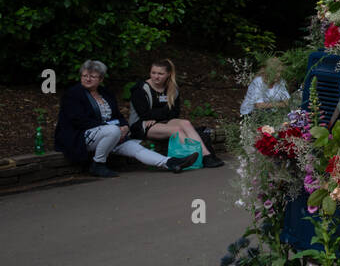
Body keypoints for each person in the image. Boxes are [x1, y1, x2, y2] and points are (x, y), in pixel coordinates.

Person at [55, 60, 199, 177]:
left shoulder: (105, 93)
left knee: (136, 149)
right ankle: (98, 164)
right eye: (85, 75)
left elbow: (117, 115)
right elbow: (78, 120)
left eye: (92, 76)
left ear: (101, 79)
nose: (87, 79)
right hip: (81, 136)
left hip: (109, 135)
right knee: (112, 130)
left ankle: (171, 163)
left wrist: (124, 126)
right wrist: (111, 128)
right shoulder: (73, 94)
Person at [129, 58, 223, 168]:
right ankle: (192, 157)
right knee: (176, 130)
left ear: (168, 74)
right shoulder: (140, 89)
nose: (156, 76)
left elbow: (175, 113)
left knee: (186, 123)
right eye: (153, 73)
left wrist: (156, 115)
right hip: (142, 125)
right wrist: (164, 112)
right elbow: (145, 114)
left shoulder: (172, 89)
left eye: (160, 73)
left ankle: (206, 155)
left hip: (162, 121)